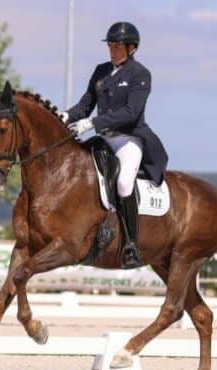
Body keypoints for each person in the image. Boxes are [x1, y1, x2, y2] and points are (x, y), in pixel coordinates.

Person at [60, 21, 169, 269]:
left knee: (123, 182)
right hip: (103, 138)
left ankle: (131, 245)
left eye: (117, 45)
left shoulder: (140, 74)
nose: (112, 49)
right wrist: (65, 116)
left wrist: (92, 123)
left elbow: (131, 113)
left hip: (128, 139)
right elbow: (85, 105)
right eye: (110, 45)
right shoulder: (101, 71)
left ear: (131, 47)